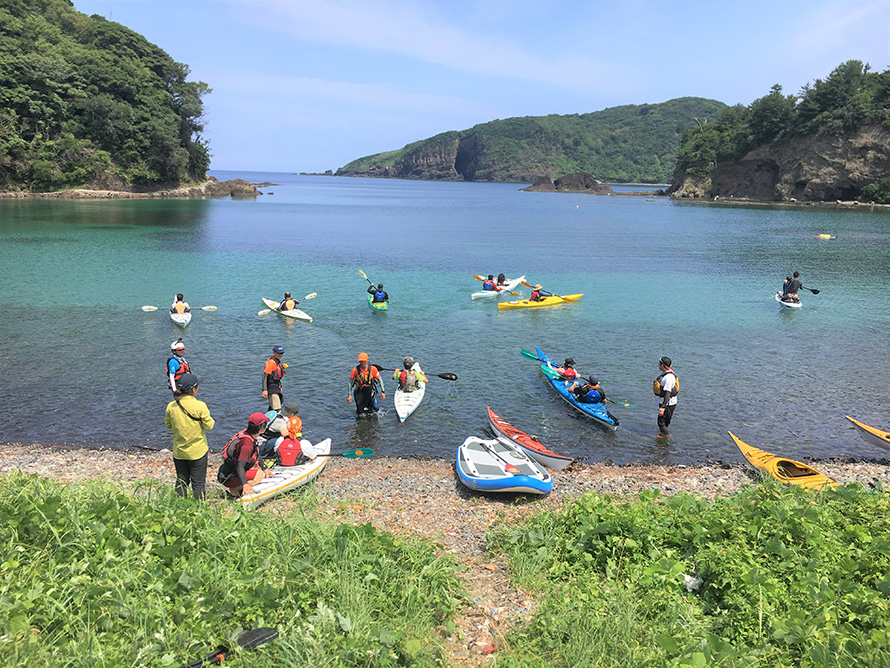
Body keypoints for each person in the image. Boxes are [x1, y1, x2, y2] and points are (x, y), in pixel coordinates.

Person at [163, 372, 215, 499]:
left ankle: (179, 508)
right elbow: (209, 426)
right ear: (194, 389)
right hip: (198, 451)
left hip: (179, 451)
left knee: (181, 481)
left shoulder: (171, 406)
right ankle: (199, 510)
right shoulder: (200, 406)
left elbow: (168, 425)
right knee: (198, 484)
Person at [217, 412, 274, 497]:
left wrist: (264, 467)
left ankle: (237, 486)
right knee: (259, 475)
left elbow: (256, 453)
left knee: (261, 471)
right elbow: (240, 466)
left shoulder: (247, 434)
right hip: (229, 477)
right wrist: (245, 484)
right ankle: (235, 490)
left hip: (227, 471)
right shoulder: (246, 445)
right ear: (262, 428)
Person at [653, 356, 679, 438]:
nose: (658, 365)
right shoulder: (670, 372)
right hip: (671, 402)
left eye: (659, 364)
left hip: (668, 403)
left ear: (662, 365)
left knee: (661, 422)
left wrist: (663, 407)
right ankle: (663, 433)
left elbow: (668, 393)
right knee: (666, 421)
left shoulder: (668, 377)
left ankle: (665, 437)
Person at [261, 345, 286, 410]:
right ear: (274, 353)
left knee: (274, 406)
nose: (280, 355)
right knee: (277, 408)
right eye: (278, 353)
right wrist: (265, 390)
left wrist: (279, 386)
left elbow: (276, 377)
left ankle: (267, 419)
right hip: (272, 388)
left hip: (276, 386)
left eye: (282, 353)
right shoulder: (271, 362)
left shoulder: (277, 361)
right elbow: (265, 376)